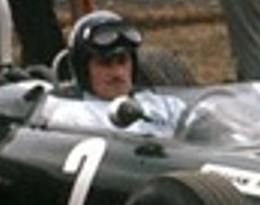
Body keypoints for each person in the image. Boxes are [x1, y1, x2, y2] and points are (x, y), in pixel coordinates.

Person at [47, 10, 184, 135]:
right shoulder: (73, 118)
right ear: (83, 71)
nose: (117, 72)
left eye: (122, 61)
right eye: (105, 63)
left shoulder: (167, 106)